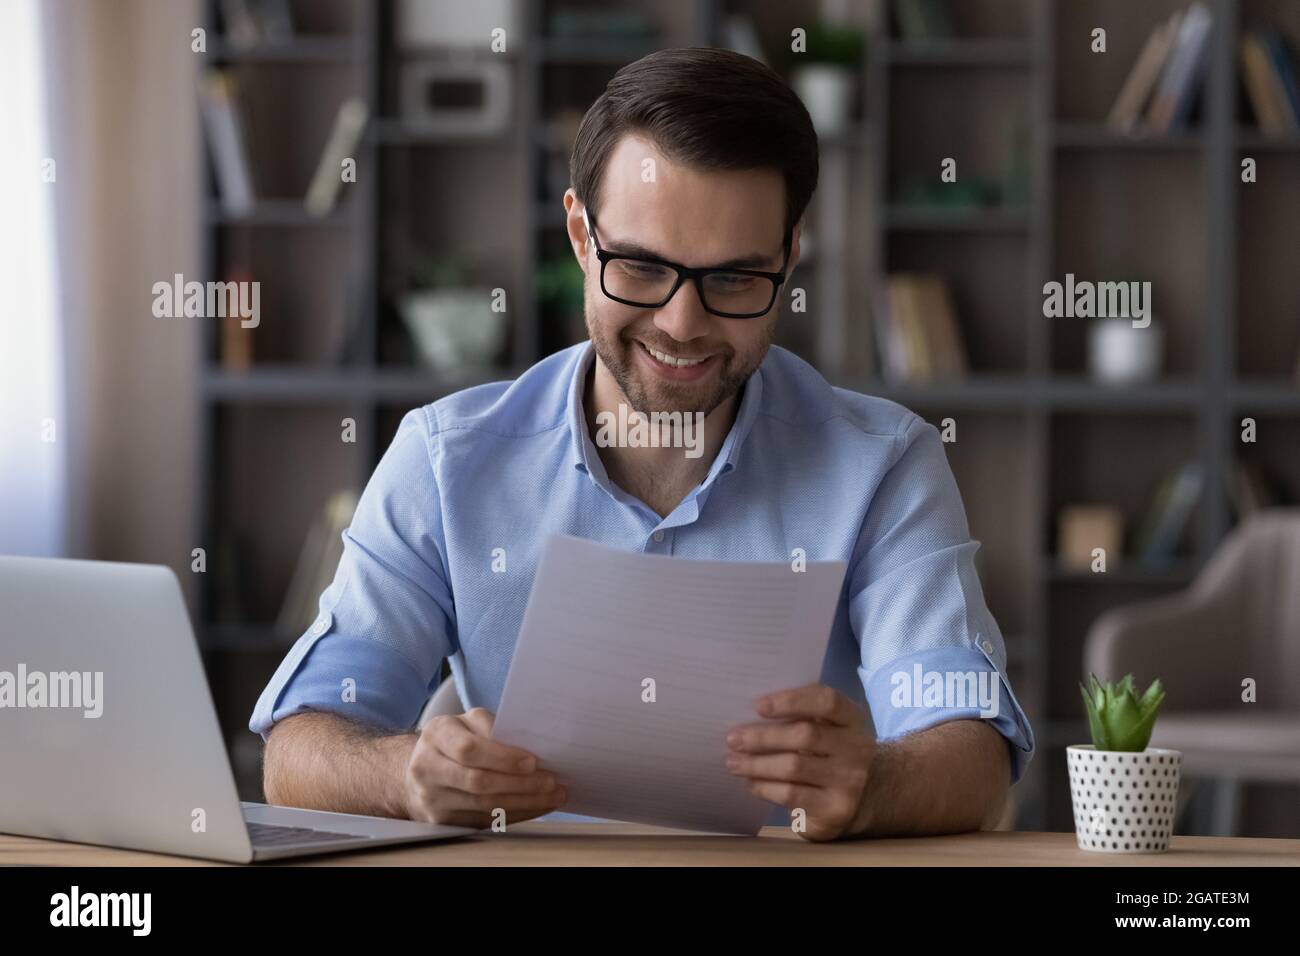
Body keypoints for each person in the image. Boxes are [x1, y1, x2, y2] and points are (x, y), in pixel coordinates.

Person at [251, 47, 1034, 842]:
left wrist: (872, 785)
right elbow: (297, 751)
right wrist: (405, 775)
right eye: (641, 266)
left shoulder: (883, 464)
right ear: (582, 238)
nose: (681, 324)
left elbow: (974, 756)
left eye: (733, 279)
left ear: (789, 258)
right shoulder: (446, 460)